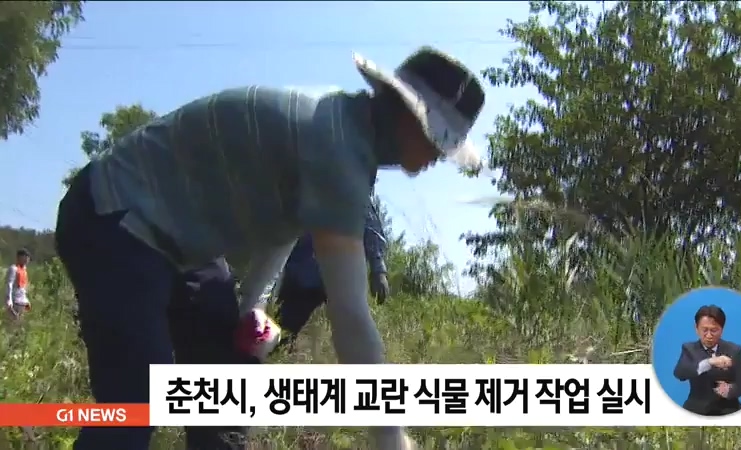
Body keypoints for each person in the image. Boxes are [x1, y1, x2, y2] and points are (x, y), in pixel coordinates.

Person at [54, 46, 485, 450]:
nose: (439, 155)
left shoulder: (345, 126)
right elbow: (350, 314)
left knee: (227, 386)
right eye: (439, 139)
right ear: (410, 117)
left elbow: (282, 228)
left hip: (180, 242)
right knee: (137, 397)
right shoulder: (338, 150)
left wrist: (251, 305)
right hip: (115, 212)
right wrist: (390, 436)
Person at [275, 193, 389, 353]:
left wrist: (378, 270)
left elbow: (369, 226)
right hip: (297, 274)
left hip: (333, 275)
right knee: (280, 331)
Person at [672, 304, 741, 416]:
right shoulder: (689, 349)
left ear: (722, 330)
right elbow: (679, 373)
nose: (709, 335)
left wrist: (729, 390)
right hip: (696, 409)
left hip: (728, 409)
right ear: (696, 328)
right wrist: (709, 362)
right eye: (704, 330)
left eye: (714, 330)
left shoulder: (735, 350)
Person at [5, 248, 32, 321]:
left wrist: (27, 301)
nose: (27, 260)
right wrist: (9, 301)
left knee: (21, 323)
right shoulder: (13, 269)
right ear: (19, 257)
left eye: (28, 258)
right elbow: (9, 285)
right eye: (25, 257)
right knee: (13, 323)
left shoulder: (24, 270)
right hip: (15, 302)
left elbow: (23, 289)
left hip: (23, 302)